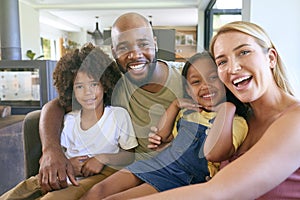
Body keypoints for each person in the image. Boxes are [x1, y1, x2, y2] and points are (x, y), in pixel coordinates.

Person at [132, 21, 300, 200]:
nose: (233, 68)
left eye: (244, 52)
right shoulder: (240, 120)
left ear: (271, 58)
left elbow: (217, 192)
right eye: (222, 61)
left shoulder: (295, 120)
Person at [24, 12, 184, 194]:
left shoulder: (188, 80)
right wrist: (51, 150)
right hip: (132, 172)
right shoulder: (113, 83)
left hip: (176, 171)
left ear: (155, 43)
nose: (135, 54)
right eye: (123, 48)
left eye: (143, 44)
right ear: (114, 52)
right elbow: (56, 105)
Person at [80, 51, 249, 200]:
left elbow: (213, 153)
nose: (205, 85)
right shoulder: (188, 113)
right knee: (98, 191)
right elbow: (161, 136)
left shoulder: (234, 121)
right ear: (188, 90)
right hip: (158, 162)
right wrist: (175, 105)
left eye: (213, 78)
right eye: (196, 82)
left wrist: (227, 109)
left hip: (181, 177)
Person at [0, 43, 138, 200]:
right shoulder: (70, 119)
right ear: (71, 90)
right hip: (67, 173)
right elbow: (62, 152)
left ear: (105, 85)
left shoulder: (118, 116)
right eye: (79, 87)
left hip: (99, 175)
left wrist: (102, 158)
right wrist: (66, 164)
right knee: (18, 192)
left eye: (94, 84)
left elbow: (130, 154)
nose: (88, 92)